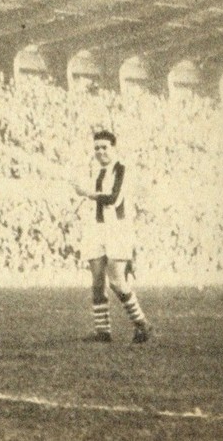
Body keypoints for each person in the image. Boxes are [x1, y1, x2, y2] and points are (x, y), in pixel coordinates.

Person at [72, 130, 152, 343]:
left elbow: (113, 198)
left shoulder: (122, 169)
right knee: (97, 281)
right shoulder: (95, 171)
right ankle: (102, 331)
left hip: (118, 229)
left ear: (114, 148)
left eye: (104, 147)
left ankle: (142, 324)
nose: (100, 151)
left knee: (117, 281)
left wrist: (85, 193)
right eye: (96, 147)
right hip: (96, 229)